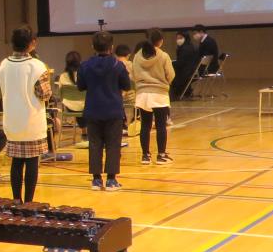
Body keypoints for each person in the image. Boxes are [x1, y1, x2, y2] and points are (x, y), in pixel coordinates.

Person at [0, 27, 51, 203]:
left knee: (16, 162)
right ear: (32, 43)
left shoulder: (4, 64)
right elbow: (44, 94)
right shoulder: (37, 66)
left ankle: (15, 199)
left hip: (12, 119)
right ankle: (28, 202)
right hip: (32, 121)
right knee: (31, 162)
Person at [76, 31, 131, 191]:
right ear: (111, 47)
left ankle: (96, 179)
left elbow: (80, 86)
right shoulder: (117, 65)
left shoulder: (85, 65)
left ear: (93, 46)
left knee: (94, 144)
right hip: (113, 110)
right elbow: (127, 85)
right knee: (113, 145)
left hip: (93, 109)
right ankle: (112, 179)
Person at [132, 29, 175, 165]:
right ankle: (161, 155)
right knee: (161, 125)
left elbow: (134, 74)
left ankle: (145, 155)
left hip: (143, 94)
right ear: (160, 41)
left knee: (145, 125)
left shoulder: (137, 55)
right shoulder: (163, 56)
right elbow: (171, 75)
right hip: (159, 93)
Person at [171, 29, 201, 100]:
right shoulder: (191, 46)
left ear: (186, 38)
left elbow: (180, 63)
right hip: (193, 71)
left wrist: (170, 63)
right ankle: (186, 92)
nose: (178, 40)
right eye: (177, 38)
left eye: (180, 38)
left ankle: (175, 95)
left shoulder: (185, 49)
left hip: (186, 73)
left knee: (170, 74)